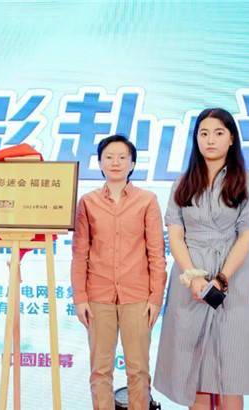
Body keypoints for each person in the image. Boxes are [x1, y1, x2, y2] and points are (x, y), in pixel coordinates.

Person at [153, 108, 249, 410]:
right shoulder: (182, 183)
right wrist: (193, 277)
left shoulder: (247, 182)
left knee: (231, 370)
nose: (210, 140)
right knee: (192, 369)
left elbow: (247, 236)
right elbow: (176, 236)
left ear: (231, 138)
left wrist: (221, 278)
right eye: (204, 133)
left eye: (218, 133)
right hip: (189, 281)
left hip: (234, 279)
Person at [71, 135, 167, 410]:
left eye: (122, 157)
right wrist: (80, 297)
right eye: (109, 157)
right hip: (97, 295)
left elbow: (156, 254)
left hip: (137, 296)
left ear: (132, 163)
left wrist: (155, 298)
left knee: (138, 370)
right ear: (100, 163)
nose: (116, 162)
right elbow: (80, 253)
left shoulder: (147, 200)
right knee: (100, 371)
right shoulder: (87, 202)